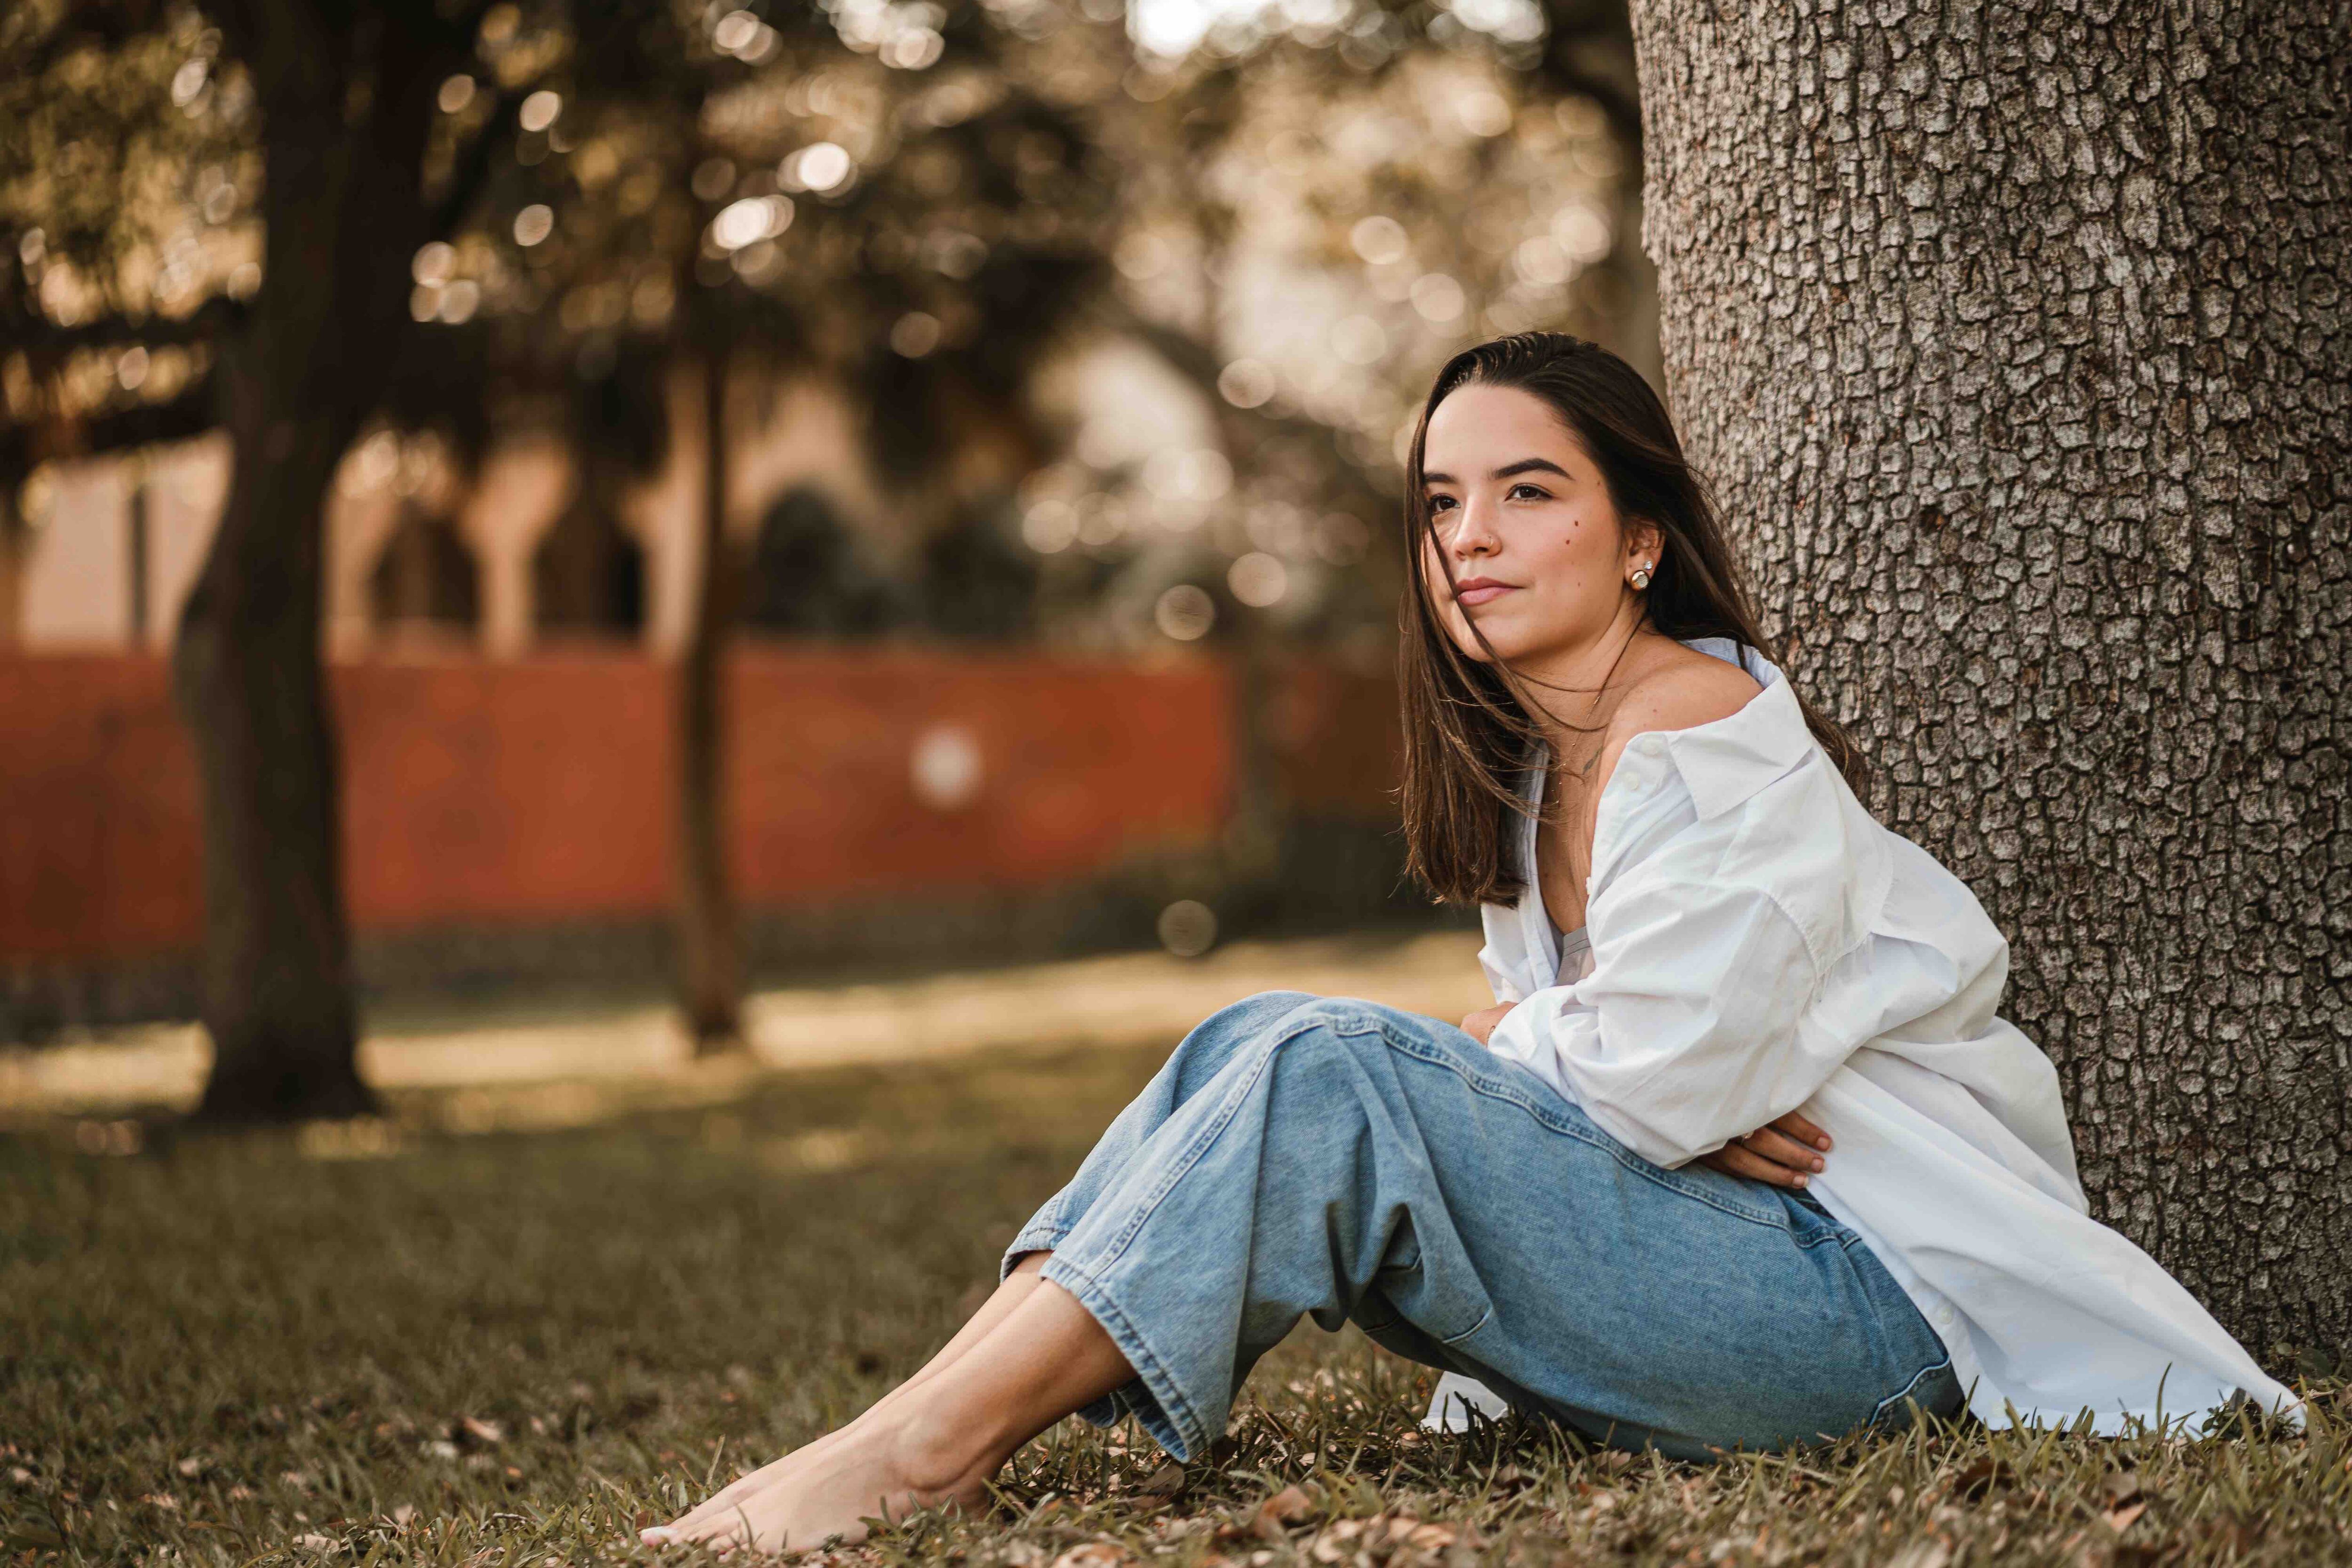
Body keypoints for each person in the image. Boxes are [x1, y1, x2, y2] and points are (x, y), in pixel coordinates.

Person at [641, 332, 2302, 1556]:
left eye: (1529, 491)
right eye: (1444, 501)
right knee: (1255, 1046)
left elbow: (1649, 1079)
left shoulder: (1711, 733)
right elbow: (1645, 1084)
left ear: (1638, 535)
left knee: (1324, 1063)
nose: (1474, 537)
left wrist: (1546, 1061)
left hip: (1867, 1316)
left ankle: (919, 1459)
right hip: (1727, 1281)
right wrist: (1611, 1076)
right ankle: (895, 1431)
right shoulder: (1535, 774)